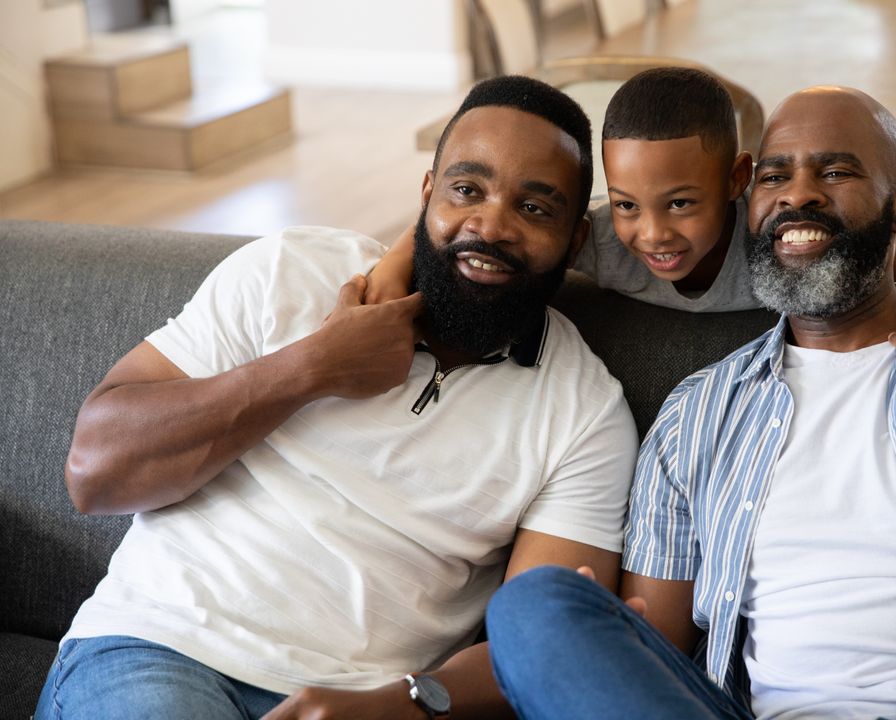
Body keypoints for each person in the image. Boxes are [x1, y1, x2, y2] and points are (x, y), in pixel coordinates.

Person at [35, 75, 640, 720]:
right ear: (427, 194)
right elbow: (94, 474)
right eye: (467, 189)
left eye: (536, 208)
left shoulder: (585, 413)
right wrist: (311, 368)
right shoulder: (288, 272)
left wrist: (404, 703)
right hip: (160, 648)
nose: (490, 225)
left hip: (366, 703)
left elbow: (545, 644)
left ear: (576, 240)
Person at [484, 86, 896, 719]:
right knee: (536, 609)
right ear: (748, 202)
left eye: (836, 171)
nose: (799, 194)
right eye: (776, 176)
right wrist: (609, 643)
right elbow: (659, 642)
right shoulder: (696, 417)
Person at [368, 67, 896, 479]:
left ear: (736, 182)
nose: (652, 235)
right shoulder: (600, 240)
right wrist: (395, 270)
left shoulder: (779, 247)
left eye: (680, 203)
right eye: (626, 204)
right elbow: (473, 226)